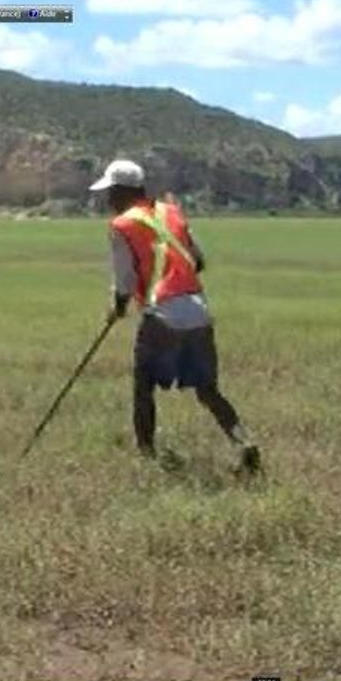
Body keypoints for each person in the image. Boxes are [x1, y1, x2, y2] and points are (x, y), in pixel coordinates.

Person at [88, 159, 261, 475]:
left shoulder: (122, 225)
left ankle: (146, 455)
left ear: (122, 191)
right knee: (208, 390)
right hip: (198, 311)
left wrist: (118, 308)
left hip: (161, 315)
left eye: (110, 192)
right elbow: (199, 261)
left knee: (143, 386)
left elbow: (124, 281)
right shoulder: (171, 212)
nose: (107, 199)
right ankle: (244, 441)